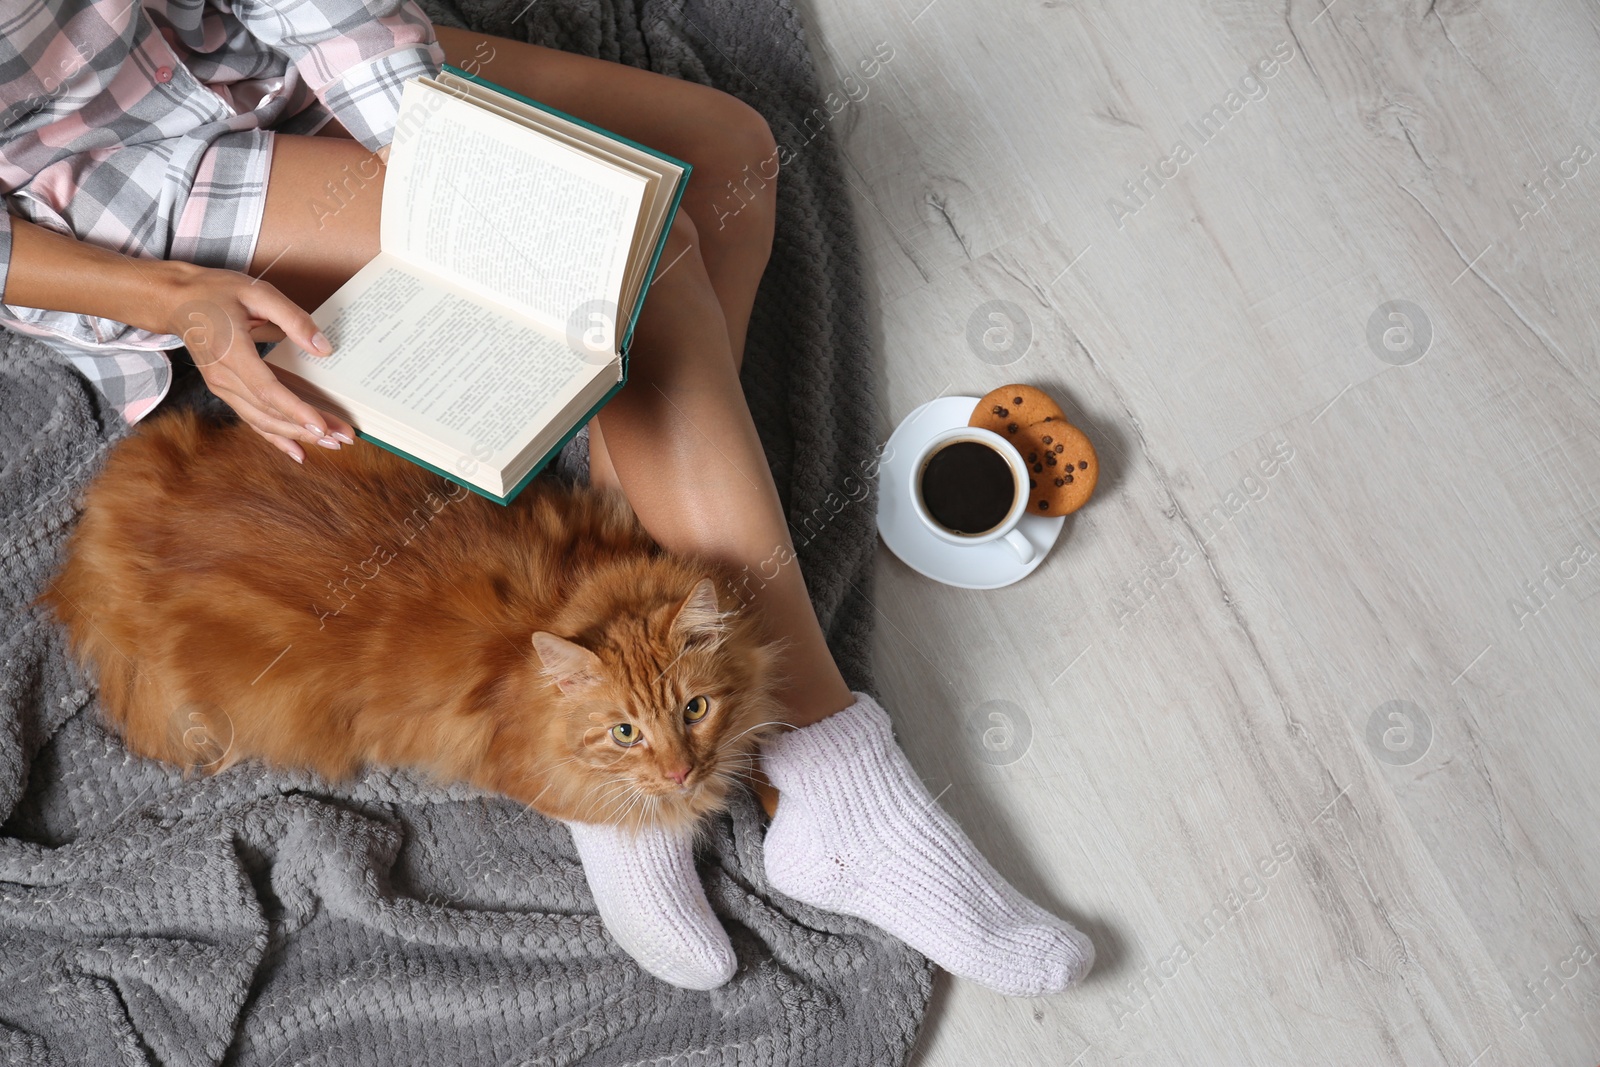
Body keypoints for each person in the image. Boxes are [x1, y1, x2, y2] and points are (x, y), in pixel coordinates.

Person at [1, 0, 1093, 996]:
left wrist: (445, 161)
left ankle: (613, 775)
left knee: (726, 161)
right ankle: (830, 779)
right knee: (633, 258)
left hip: (245, 43)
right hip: (109, 181)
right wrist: (173, 297)